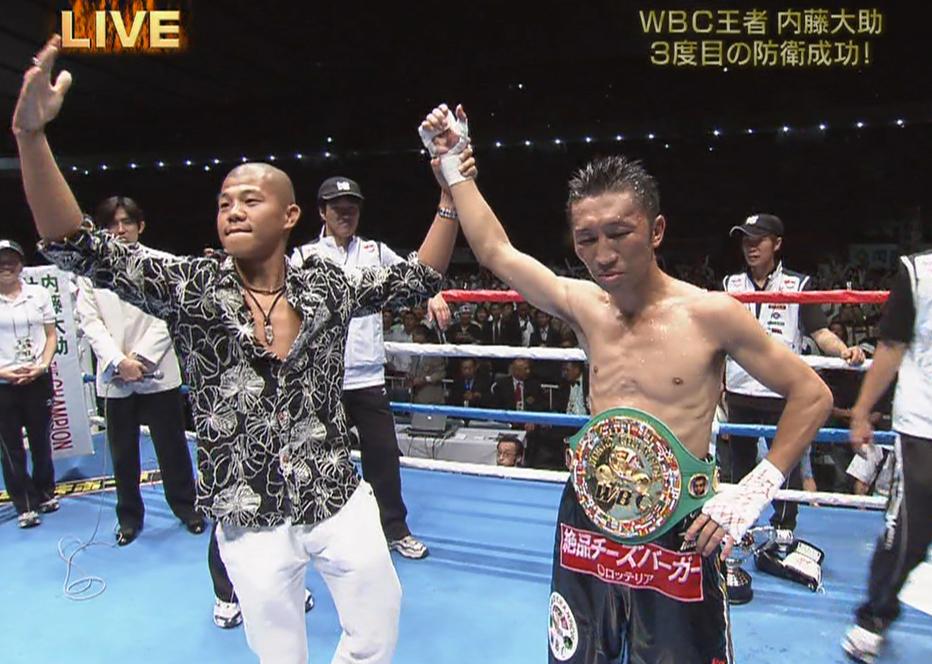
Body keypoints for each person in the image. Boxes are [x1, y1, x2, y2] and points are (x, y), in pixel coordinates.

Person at [13, 37, 467, 664]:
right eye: (224, 203)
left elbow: (419, 279)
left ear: (290, 215)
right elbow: (77, 245)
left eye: (250, 200)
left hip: (335, 494)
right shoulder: (191, 287)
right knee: (279, 655)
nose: (233, 211)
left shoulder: (327, 284)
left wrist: (449, 189)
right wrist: (31, 138)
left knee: (377, 628)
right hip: (247, 512)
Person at [420, 103, 832, 662]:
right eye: (586, 239)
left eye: (619, 233)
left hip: (681, 525)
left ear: (656, 230)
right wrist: (453, 166)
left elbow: (812, 393)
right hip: (589, 512)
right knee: (580, 652)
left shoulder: (711, 314)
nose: (603, 254)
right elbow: (496, 251)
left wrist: (753, 490)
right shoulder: (585, 306)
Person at [289, 175, 451, 560]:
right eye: (338, 208)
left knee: (383, 457)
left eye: (352, 208)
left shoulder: (375, 251)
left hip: (368, 377)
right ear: (322, 212)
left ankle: (394, 529)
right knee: (315, 459)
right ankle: (311, 534)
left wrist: (434, 294)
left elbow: (415, 274)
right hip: (322, 379)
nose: (346, 214)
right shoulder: (302, 257)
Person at [722, 214, 864, 536]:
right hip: (740, 392)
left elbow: (820, 332)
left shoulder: (798, 285)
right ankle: (737, 530)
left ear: (777, 244)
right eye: (746, 241)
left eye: (758, 240)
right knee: (739, 468)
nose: (751, 247)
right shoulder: (730, 285)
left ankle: (784, 529)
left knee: (785, 466)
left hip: (781, 393)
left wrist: (845, 351)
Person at [75, 196, 204, 545]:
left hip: (157, 371)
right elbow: (89, 322)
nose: (120, 230)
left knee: (172, 447)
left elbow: (170, 316)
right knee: (122, 454)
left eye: (126, 222)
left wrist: (141, 359)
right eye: (112, 224)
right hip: (115, 375)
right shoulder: (89, 272)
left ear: (140, 226)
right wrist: (119, 361)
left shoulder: (163, 263)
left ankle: (187, 507)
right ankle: (129, 517)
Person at [842, 250, 932, 663]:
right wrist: (862, 410)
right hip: (923, 425)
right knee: (908, 534)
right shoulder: (919, 272)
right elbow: (892, 345)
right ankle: (875, 616)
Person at [0, 238, 58, 528]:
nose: (6, 266)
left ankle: (45, 492)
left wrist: (42, 366)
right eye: (0, 262)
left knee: (41, 441)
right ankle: (24, 504)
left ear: (21, 264)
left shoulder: (39, 295)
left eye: (11, 260)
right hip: (3, 384)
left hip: (38, 379)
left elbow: (51, 335)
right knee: (10, 447)